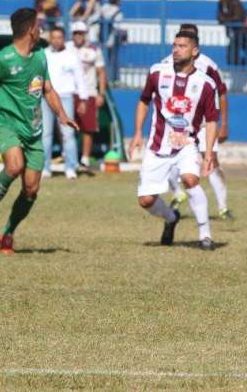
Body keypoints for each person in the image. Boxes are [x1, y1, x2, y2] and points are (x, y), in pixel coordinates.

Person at [0, 8, 79, 254]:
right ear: (31, 29)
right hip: (4, 124)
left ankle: (7, 233)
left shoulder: (41, 57)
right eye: (39, 25)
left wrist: (62, 115)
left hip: (32, 131)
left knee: (31, 190)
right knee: (14, 165)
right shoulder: (2, 59)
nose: (41, 29)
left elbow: (48, 90)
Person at [129, 31, 219, 251]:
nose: (176, 50)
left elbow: (212, 120)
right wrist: (138, 133)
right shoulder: (157, 73)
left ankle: (205, 235)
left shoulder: (206, 83)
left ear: (195, 51)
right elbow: (143, 101)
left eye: (182, 46)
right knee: (146, 201)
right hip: (157, 145)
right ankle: (171, 218)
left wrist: (208, 153)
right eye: (175, 45)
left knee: (190, 179)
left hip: (187, 145)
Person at [158, 24, 233, 220]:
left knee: (212, 162)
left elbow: (222, 93)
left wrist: (223, 123)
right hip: (178, 125)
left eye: (188, 40)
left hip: (203, 125)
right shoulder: (166, 64)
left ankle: (223, 207)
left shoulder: (208, 65)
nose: (180, 47)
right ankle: (178, 192)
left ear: (195, 45)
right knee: (166, 160)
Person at [42, 25, 89, 180]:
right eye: (53, 37)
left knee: (68, 134)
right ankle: (45, 167)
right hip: (45, 97)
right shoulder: (44, 54)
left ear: (64, 39)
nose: (56, 40)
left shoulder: (72, 55)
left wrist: (83, 98)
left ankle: (71, 167)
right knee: (45, 134)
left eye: (59, 37)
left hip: (65, 98)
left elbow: (80, 78)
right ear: (50, 39)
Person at [68, 21, 107, 170]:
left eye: (81, 33)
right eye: (76, 33)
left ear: (85, 34)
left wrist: (101, 94)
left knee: (88, 127)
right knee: (66, 125)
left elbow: (101, 72)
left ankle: (84, 158)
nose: (78, 36)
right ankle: (69, 156)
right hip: (69, 91)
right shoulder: (66, 48)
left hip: (89, 91)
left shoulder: (93, 49)